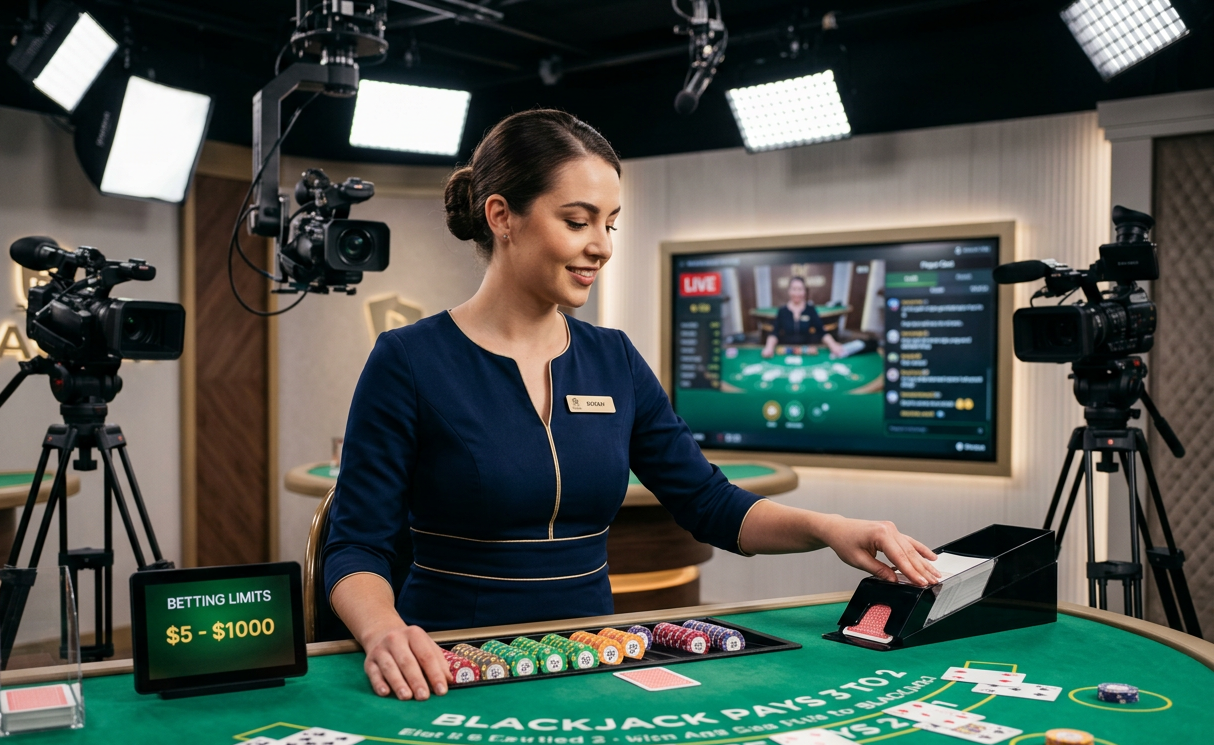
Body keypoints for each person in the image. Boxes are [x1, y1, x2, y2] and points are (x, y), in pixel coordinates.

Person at [323, 109, 939, 702]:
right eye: (578, 221)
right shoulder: (408, 359)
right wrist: (384, 632)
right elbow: (356, 547)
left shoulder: (613, 358)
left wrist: (830, 529)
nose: (602, 246)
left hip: (591, 663)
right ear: (502, 216)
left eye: (611, 224)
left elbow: (708, 503)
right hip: (445, 665)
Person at [761, 276, 846, 358]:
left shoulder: (810, 310)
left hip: (806, 352)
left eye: (800, 289)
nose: (797, 293)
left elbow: (821, 332)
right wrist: (769, 347)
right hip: (787, 351)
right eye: (794, 289)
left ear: (805, 291)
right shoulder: (782, 311)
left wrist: (833, 345)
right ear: (789, 291)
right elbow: (774, 333)